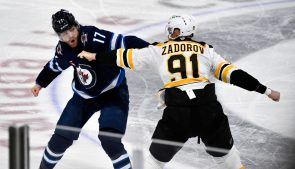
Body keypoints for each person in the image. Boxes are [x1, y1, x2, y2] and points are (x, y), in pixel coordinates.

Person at [78, 15, 280, 169]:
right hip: (208, 110)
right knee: (229, 158)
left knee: (155, 161)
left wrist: (94, 55)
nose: (170, 34)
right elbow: (234, 74)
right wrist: (266, 90)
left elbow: (122, 57)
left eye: (172, 30)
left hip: (177, 113)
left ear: (179, 31)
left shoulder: (158, 50)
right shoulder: (206, 50)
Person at [31, 9, 149, 169]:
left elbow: (125, 42)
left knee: (110, 140)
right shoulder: (63, 50)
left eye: (72, 30)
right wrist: (40, 83)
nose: (70, 36)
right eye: (64, 34)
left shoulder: (93, 36)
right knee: (59, 139)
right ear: (59, 37)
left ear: (77, 26)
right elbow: (54, 67)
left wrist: (153, 49)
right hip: (83, 98)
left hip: (113, 93)